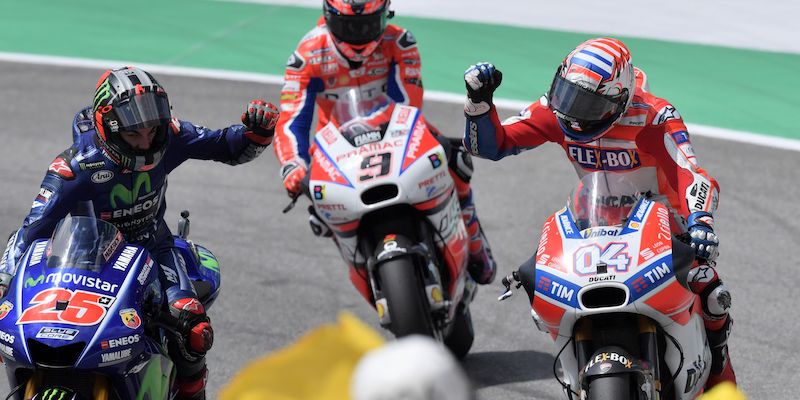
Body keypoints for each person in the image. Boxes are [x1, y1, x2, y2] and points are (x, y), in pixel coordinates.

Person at [462, 38, 735, 388]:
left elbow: (690, 172)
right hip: (593, 225)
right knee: (540, 282)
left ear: (621, 98)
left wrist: (701, 221)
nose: (575, 113)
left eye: (590, 104)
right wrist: (478, 104)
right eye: (568, 95)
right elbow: (491, 145)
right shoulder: (558, 111)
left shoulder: (654, 116)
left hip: (663, 228)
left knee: (710, 291)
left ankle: (720, 371)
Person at [0, 66, 279, 399]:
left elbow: (226, 146)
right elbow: (31, 231)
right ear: (110, 130)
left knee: (194, 330)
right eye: (134, 135)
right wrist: (4, 278)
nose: (147, 141)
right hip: (86, 259)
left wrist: (257, 131)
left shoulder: (172, 135)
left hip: (153, 248)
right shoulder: (75, 167)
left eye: (152, 131)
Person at [273, 0, 496, 284]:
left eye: (369, 24)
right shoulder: (306, 55)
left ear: (385, 15)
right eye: (349, 25)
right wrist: (293, 165)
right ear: (328, 18)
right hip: (335, 145)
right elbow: (293, 118)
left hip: (397, 129)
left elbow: (409, 103)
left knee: (454, 159)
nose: (359, 34)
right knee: (318, 208)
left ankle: (474, 241)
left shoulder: (400, 41)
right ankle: (361, 265)